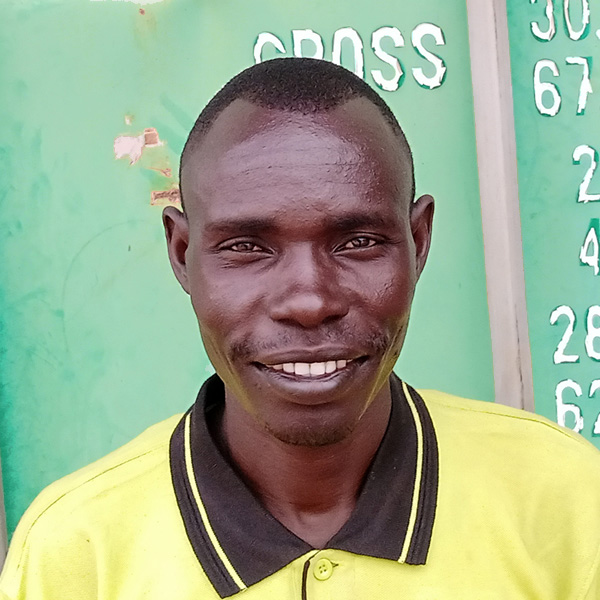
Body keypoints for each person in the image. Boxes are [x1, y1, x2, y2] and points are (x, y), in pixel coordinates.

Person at [1, 57, 600, 600]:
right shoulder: (77, 553)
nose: (310, 302)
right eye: (246, 247)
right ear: (182, 254)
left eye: (358, 242)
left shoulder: (566, 501)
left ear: (418, 243)